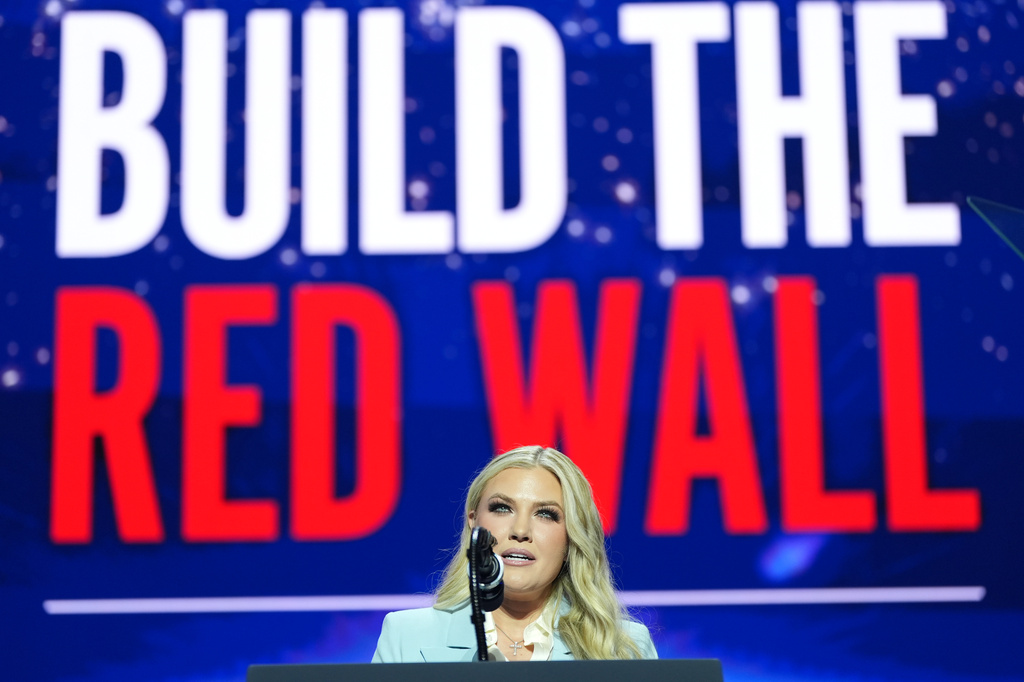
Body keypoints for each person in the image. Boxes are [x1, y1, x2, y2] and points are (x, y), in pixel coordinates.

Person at [372, 445, 657, 662]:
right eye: (502, 508)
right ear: (474, 523)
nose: (520, 530)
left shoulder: (625, 647)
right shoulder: (405, 636)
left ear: (572, 537)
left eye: (546, 514)